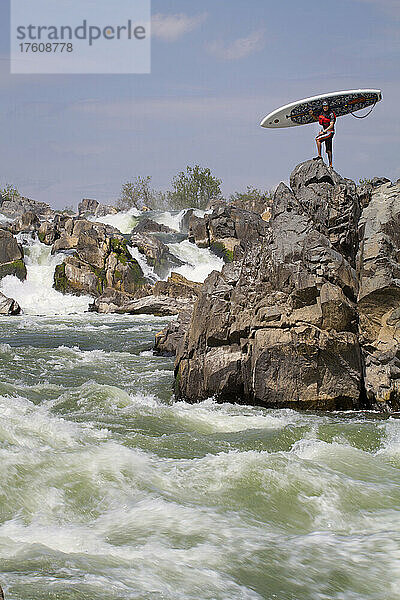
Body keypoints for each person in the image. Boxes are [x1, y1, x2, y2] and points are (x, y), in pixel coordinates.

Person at [309, 101, 336, 168]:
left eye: (326, 106)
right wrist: (312, 114)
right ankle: (330, 165)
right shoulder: (321, 113)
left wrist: (324, 131)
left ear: (328, 106)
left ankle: (320, 156)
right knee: (328, 150)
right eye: (324, 106)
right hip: (326, 132)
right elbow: (317, 119)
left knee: (318, 139)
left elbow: (331, 125)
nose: (325, 108)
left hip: (330, 132)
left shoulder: (331, 114)